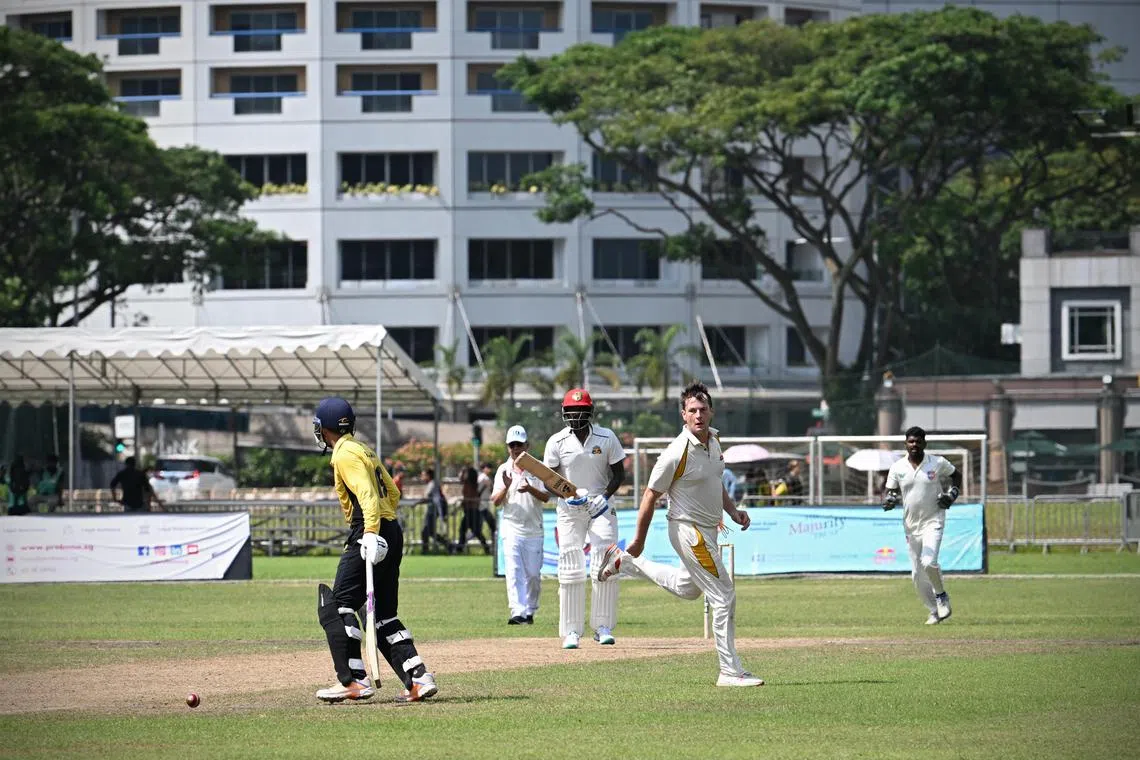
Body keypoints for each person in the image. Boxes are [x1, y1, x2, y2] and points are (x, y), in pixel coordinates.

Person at [594, 382, 763, 687]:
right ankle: (729, 670)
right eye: (692, 411)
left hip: (708, 531)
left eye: (703, 409)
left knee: (688, 588)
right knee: (724, 596)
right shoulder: (676, 452)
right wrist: (639, 539)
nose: (698, 415)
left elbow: (715, 482)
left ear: (711, 411)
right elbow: (649, 495)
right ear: (683, 415)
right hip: (689, 531)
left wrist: (733, 512)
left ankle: (626, 564)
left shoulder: (714, 441)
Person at [312, 396, 438, 703]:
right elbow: (392, 493)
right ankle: (418, 678)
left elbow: (367, 495)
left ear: (325, 428)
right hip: (391, 528)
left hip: (369, 529)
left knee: (337, 604)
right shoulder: (364, 448)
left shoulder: (344, 453)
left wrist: (369, 532)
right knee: (383, 614)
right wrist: (384, 527)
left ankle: (353, 680)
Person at [543, 388, 625, 649]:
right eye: (571, 411)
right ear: (564, 413)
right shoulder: (556, 441)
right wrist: (565, 495)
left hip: (600, 507)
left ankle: (602, 627)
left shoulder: (607, 436)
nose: (576, 415)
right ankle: (571, 631)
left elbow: (620, 475)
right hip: (570, 509)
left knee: (605, 560)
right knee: (570, 563)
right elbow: (548, 481)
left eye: (581, 411)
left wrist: (604, 496)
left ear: (590, 412)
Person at [883, 425, 963, 625]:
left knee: (928, 562)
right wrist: (889, 501)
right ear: (905, 444)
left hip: (933, 519)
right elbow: (890, 492)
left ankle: (941, 596)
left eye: (918, 441)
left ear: (924, 443)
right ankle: (934, 611)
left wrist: (952, 495)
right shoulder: (897, 467)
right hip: (911, 525)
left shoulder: (936, 462)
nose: (914, 445)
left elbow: (957, 476)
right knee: (917, 575)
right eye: (911, 441)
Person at [493, 425, 550, 625]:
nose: (516, 448)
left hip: (534, 530)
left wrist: (531, 489)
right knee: (514, 571)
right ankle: (517, 611)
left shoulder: (538, 467)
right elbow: (495, 501)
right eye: (512, 445)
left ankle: (530, 611)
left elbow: (546, 497)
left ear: (527, 445)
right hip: (511, 528)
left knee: (533, 575)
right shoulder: (503, 470)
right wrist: (507, 487)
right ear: (508, 447)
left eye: (519, 444)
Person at [456, 466, 489, 554]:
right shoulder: (471, 484)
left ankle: (459, 548)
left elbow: (471, 497)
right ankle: (486, 548)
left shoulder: (470, 485)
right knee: (475, 531)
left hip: (471, 511)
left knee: (466, 530)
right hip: (470, 510)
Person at [419, 467, 451, 554]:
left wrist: (417, 502)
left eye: (423, 475)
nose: (422, 477)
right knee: (430, 532)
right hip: (431, 510)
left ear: (428, 476)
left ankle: (425, 550)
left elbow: (427, 498)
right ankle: (449, 545)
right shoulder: (432, 484)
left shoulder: (433, 484)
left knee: (426, 530)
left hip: (433, 511)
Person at [478, 462, 498, 544]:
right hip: (482, 505)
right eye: (488, 468)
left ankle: (492, 544)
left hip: (483, 505)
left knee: (480, 526)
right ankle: (493, 544)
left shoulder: (482, 477)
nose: (489, 470)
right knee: (492, 525)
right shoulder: (484, 478)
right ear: (484, 468)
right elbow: (489, 489)